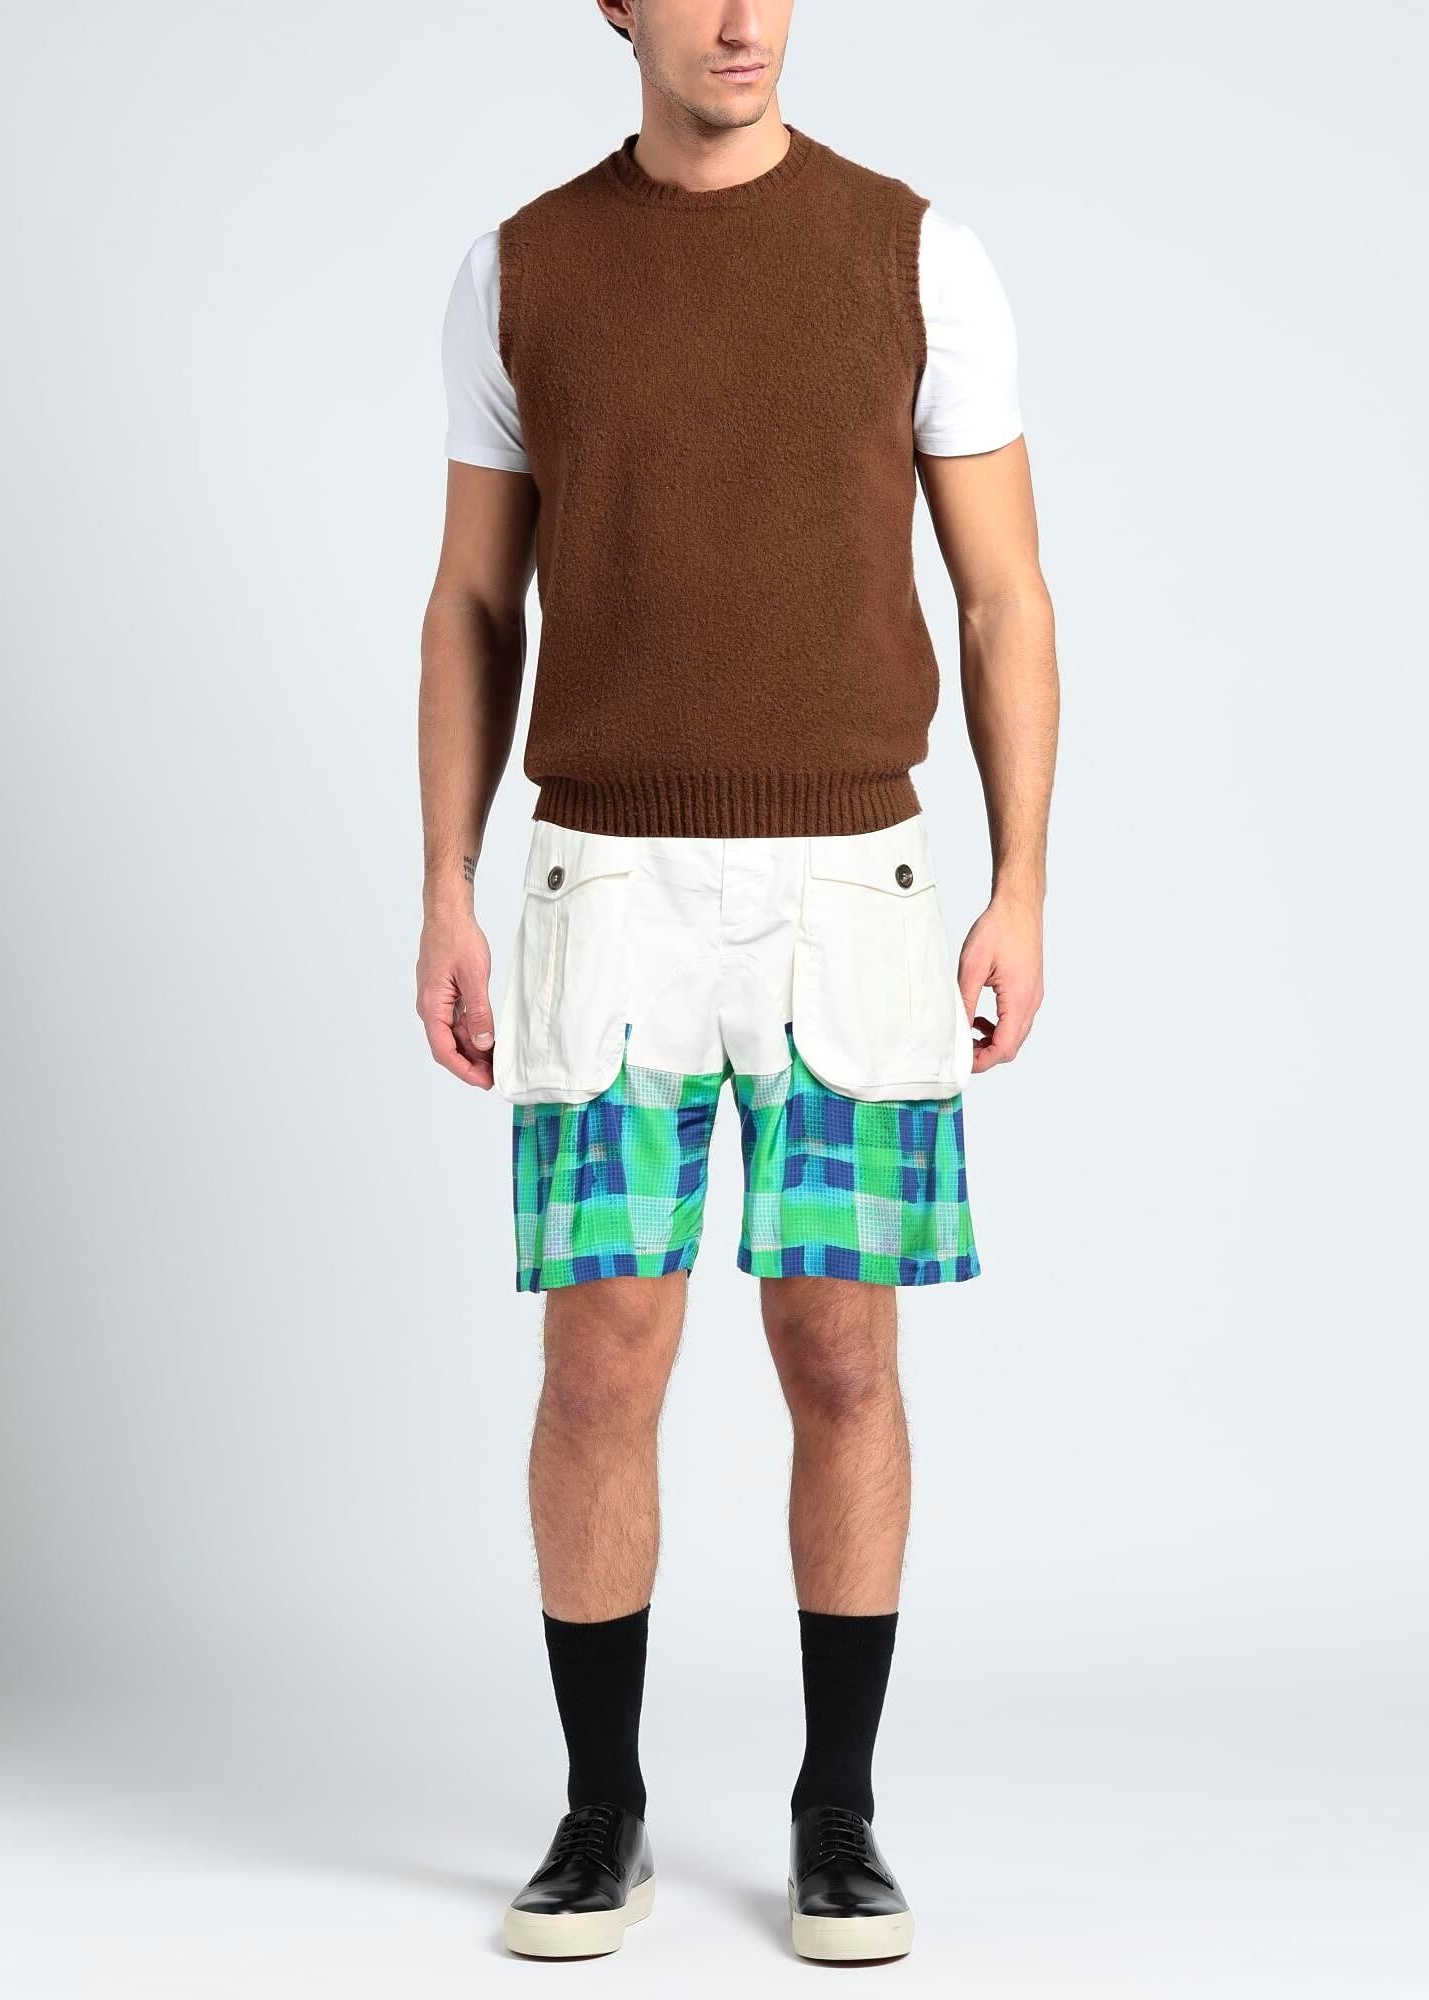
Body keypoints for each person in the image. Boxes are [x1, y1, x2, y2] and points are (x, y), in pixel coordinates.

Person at [417, 0, 1057, 1964]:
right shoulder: (521, 269)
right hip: (604, 881)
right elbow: (473, 597)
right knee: (603, 1357)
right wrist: (443, 884)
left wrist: (1024, 880)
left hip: (852, 885)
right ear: (614, 5)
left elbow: (1005, 594)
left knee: (842, 1354)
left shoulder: (917, 255)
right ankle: (597, 1809)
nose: (743, 16)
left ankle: (837, 1812)